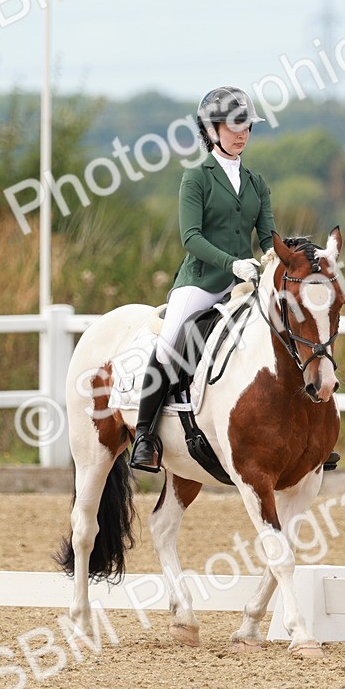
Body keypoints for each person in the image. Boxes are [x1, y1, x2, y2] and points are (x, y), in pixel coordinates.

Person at [128, 86, 276, 473]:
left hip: (244, 284)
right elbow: (190, 237)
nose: (241, 133)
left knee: (282, 335)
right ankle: (145, 435)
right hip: (201, 281)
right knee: (170, 345)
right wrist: (233, 264)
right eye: (233, 125)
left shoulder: (257, 182)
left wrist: (279, 258)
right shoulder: (196, 178)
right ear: (211, 130)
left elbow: (267, 238)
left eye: (246, 126)